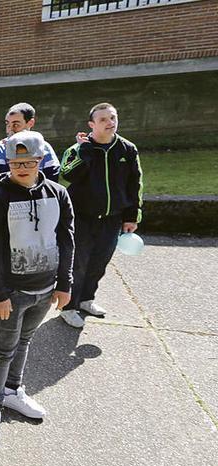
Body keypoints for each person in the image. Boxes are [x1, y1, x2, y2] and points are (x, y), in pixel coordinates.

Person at [0, 130, 75, 449]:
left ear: (40, 161)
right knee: (3, 348)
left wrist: (65, 283)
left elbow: (67, 240)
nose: (22, 167)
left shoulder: (58, 195)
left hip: (45, 290)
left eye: (29, 161)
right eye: (16, 161)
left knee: (26, 341)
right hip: (12, 294)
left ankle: (12, 391)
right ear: (7, 162)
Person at [58, 103, 143, 329]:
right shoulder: (78, 148)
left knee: (100, 262)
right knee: (78, 263)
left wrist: (131, 216)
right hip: (82, 217)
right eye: (103, 119)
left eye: (113, 117)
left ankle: (86, 299)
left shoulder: (127, 149)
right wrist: (84, 152)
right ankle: (69, 307)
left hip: (112, 218)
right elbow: (67, 174)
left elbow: (135, 184)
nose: (110, 122)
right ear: (92, 124)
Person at [0, 103, 60, 182]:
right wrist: (11, 150)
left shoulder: (44, 146)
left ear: (30, 123)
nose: (10, 130)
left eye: (16, 125)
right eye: (7, 124)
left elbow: (53, 178)